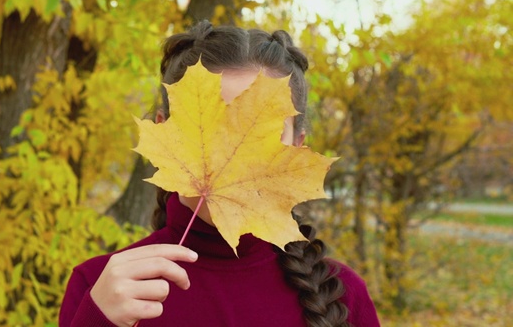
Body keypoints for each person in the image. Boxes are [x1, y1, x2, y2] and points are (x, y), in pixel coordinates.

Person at [59, 21, 381, 327]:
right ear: (165, 132)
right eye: (211, 127)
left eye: (265, 134)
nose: (236, 153)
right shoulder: (104, 288)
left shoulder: (342, 295)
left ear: (297, 148)